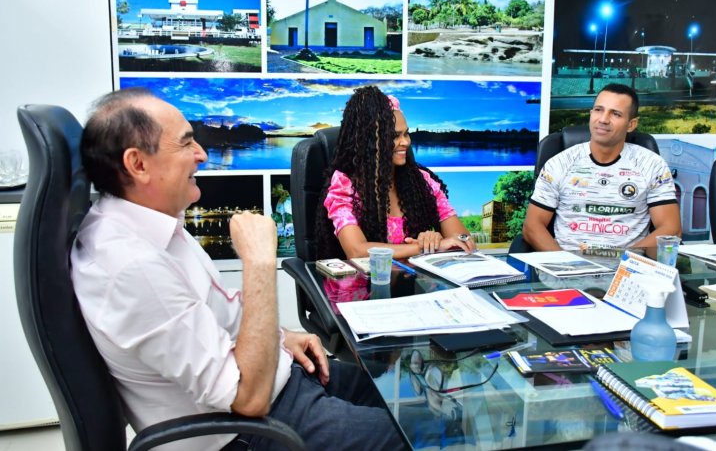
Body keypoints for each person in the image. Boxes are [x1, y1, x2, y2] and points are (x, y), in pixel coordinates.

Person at [70, 88, 406, 451]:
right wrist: (259, 261)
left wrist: (280, 337)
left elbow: (212, 322)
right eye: (186, 145)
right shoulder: (132, 267)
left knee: (396, 398)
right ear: (138, 164)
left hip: (277, 378)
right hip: (251, 427)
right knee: (422, 437)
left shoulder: (147, 222)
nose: (201, 154)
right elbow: (248, 400)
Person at [316, 85, 476, 260]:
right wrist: (424, 248)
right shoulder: (345, 185)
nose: (405, 142)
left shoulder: (421, 180)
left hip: (416, 282)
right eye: (394, 136)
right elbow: (357, 251)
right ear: (369, 141)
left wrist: (435, 241)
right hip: (367, 284)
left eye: (406, 134)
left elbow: (464, 241)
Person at [522, 83, 681, 251]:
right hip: (566, 267)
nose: (603, 119)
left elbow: (671, 229)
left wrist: (626, 263)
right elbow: (532, 227)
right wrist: (566, 265)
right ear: (591, 114)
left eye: (616, 114)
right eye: (598, 110)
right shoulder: (559, 163)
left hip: (628, 269)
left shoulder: (652, 165)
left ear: (631, 124)